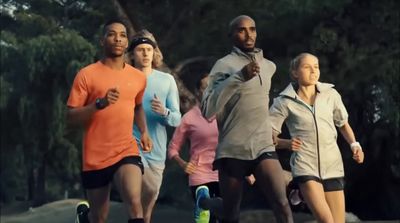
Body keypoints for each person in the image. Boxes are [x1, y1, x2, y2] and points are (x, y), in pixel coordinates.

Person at [201, 15, 293, 223]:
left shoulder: (269, 66)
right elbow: (207, 110)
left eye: (252, 29)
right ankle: (210, 204)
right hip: (233, 149)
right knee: (231, 214)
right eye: (241, 30)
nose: (248, 34)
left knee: (282, 204)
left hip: (263, 146)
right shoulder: (223, 65)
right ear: (231, 35)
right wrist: (238, 77)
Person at [67, 19, 152, 223]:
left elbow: (138, 105)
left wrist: (144, 132)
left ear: (126, 42)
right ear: (102, 40)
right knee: (99, 217)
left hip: (126, 149)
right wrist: (99, 104)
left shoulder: (138, 77)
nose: (118, 39)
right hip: (95, 156)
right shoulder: (86, 75)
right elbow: (70, 117)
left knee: (134, 201)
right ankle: (85, 218)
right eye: (112, 34)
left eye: (122, 35)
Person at [269, 52, 364, 223]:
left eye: (316, 67)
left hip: (333, 165)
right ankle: (297, 185)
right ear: (295, 72)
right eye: (307, 67)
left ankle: (294, 189)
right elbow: (268, 136)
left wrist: (354, 145)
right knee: (327, 221)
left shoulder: (331, 95)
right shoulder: (284, 101)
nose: (314, 71)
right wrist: (286, 143)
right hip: (305, 165)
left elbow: (342, 123)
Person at [128, 29, 181, 223]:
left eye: (149, 49)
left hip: (157, 149)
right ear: (132, 54)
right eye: (141, 49)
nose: (145, 53)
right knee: (139, 195)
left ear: (154, 53)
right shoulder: (125, 77)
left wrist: (164, 112)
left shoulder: (166, 80)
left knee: (147, 205)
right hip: (131, 142)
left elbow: (177, 119)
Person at [168, 58, 222, 223]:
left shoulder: (225, 115)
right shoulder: (189, 118)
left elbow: (238, 143)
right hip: (199, 174)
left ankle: (204, 204)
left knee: (220, 216)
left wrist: (246, 170)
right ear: (198, 92)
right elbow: (172, 148)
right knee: (206, 218)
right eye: (205, 88)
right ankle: (202, 201)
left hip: (223, 173)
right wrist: (183, 163)